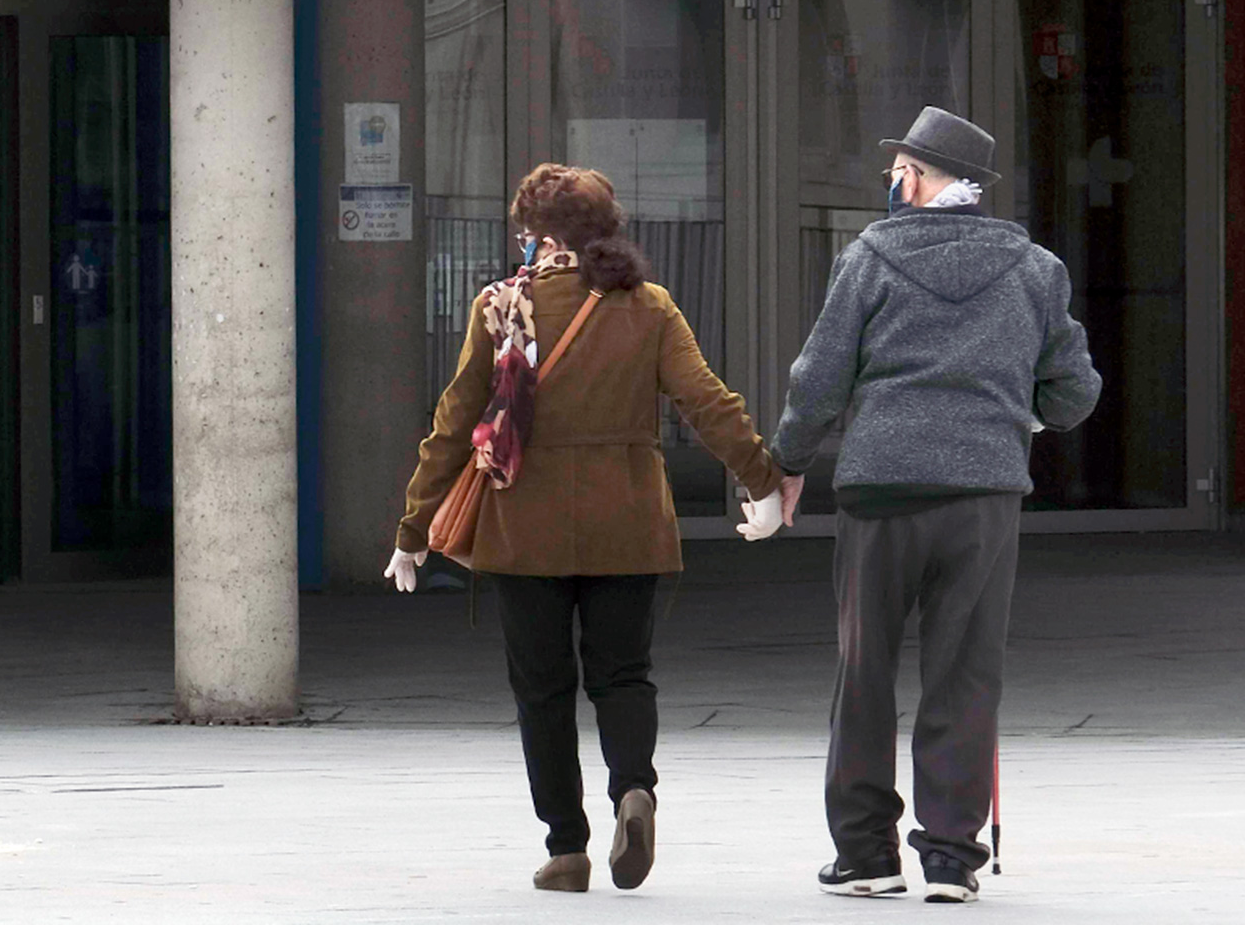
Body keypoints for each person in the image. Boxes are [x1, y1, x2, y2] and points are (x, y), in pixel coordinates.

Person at [386, 163, 789, 895]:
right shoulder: (650, 306)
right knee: (623, 674)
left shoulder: (502, 307)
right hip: (628, 522)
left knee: (542, 690)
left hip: (523, 528)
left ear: (536, 236)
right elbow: (708, 402)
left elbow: (454, 423)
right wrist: (762, 482)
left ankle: (566, 849)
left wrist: (414, 527)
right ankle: (633, 790)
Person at [758, 106, 1100, 903]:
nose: (890, 184)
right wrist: (1018, 414)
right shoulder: (1036, 269)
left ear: (914, 178)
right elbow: (1077, 391)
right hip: (984, 497)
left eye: (896, 172)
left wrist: (788, 464)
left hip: (881, 491)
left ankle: (868, 855)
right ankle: (950, 857)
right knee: (967, 673)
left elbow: (818, 381)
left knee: (863, 670)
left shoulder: (868, 259)